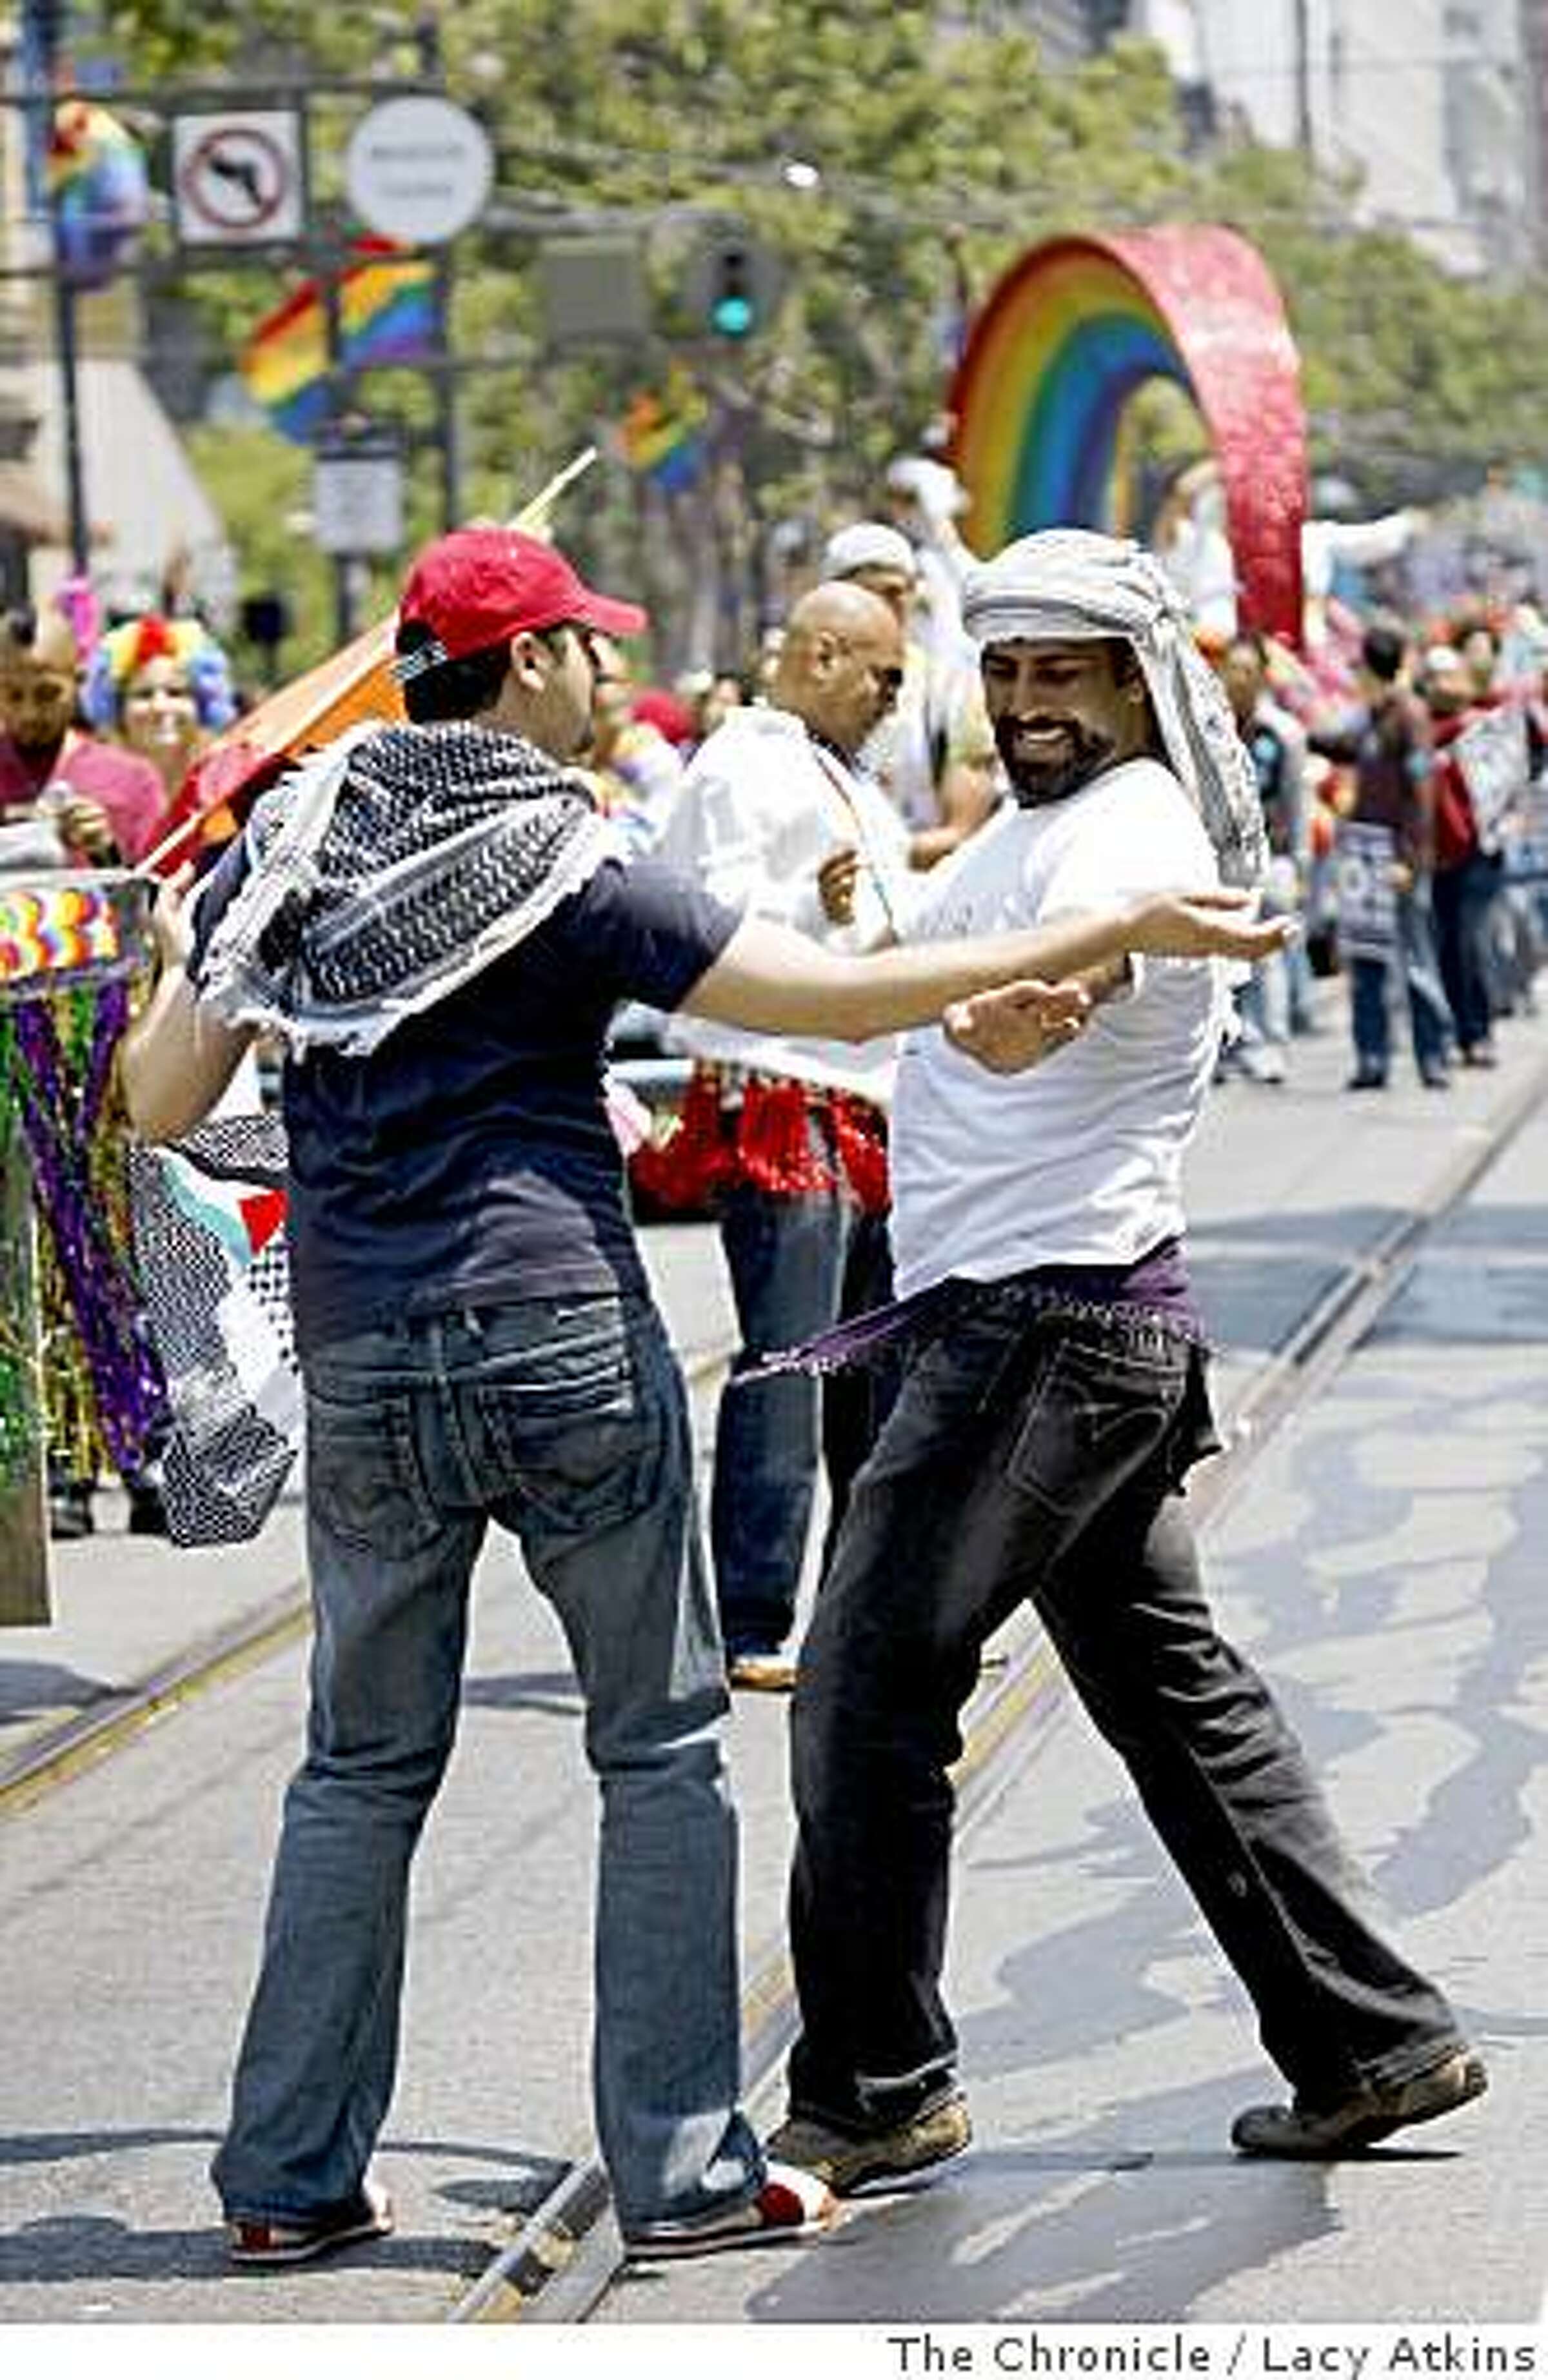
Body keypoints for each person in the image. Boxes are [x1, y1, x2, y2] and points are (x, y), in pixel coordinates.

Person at [117, 522, 1285, 2267]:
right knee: (660, 1749)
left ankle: (287, 2178)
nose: (605, 671)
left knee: (355, 1773)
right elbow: (819, 996)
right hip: (559, 1333)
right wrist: (1108, 924)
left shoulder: (283, 845)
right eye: (585, 644)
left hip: (363, 1355)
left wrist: (174, 943)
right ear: (521, 670)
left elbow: (154, 1103)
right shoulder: (560, 857)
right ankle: (682, 2174)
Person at [765, 528, 1487, 2197]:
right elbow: (998, 928)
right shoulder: (1040, 819)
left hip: (1040, 1328)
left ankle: (878, 2086)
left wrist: (1038, 1004)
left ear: (1138, 684)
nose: (1028, 701)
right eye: (1008, 671)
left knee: (867, 1688)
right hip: (1067, 1324)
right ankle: (1370, 2036)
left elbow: (1094, 956)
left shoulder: (1137, 825)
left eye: (1063, 673)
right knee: (1178, 1702)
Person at [651, 579, 915, 1691]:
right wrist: (811, 904)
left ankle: (867, 1611)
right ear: (820, 653)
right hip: (784, 1101)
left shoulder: (844, 778)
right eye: (883, 677)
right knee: (790, 1371)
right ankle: (755, 1617)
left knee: (872, 1384)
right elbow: (696, 929)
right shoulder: (740, 765)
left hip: (868, 1101)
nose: (894, 702)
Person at [0, 601, 169, 1539]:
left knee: (108, 1256)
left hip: (101, 1069)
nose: (28, 710)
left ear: (79, 686)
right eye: (13, 693)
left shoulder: (123, 778)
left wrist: (106, 848)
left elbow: (162, 914)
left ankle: (139, 1447)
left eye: (47, 692)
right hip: (9, 1066)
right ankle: (58, 1466)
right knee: (31, 1268)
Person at [1311, 619, 1454, 1091]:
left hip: (1398, 860)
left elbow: (1421, 793)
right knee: (1366, 959)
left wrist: (1410, 860)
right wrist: (1305, 734)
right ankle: (1372, 1058)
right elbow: (1346, 748)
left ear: (1373, 670)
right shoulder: (1372, 716)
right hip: (1364, 858)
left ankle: (1433, 1055)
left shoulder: (1410, 716)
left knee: (1415, 958)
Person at [819, 520, 1000, 868]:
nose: (878, 610)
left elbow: (964, 832)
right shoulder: (808, 698)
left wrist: (871, 862)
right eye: (861, 597)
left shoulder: (954, 695)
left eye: (893, 594)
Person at [81, 610, 239, 822]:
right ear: (117, 712)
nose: (160, 706)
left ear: (204, 706)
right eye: (144, 695)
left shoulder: (228, 790)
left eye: (176, 692)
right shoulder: (94, 801)